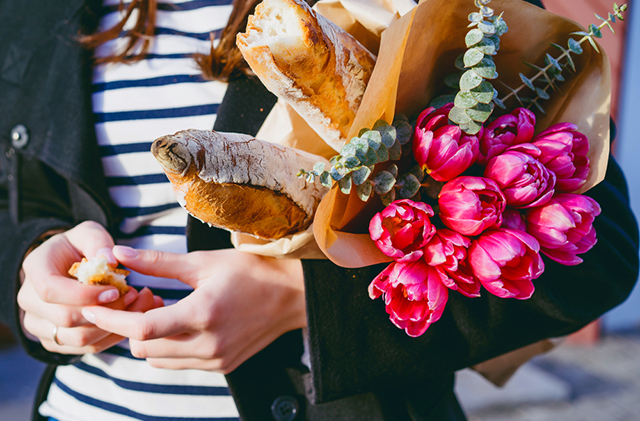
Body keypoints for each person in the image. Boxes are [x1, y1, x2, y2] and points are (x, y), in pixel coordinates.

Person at [0, 0, 638, 421]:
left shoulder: (428, 10)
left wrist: (298, 294)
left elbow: (598, 251)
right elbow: (21, 207)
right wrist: (36, 274)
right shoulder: (38, 12)